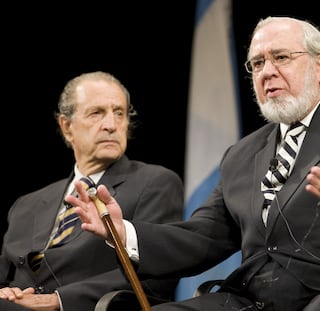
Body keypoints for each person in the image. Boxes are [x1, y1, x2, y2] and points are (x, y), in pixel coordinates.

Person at [69, 17, 320, 311]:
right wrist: (122, 229)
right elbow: (204, 235)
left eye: (281, 57)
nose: (267, 72)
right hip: (252, 297)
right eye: (258, 63)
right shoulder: (242, 153)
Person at [0, 71, 184, 311]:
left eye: (119, 113)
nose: (111, 125)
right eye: (96, 113)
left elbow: (159, 273)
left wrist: (58, 300)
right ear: (67, 127)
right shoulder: (26, 205)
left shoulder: (155, 183)